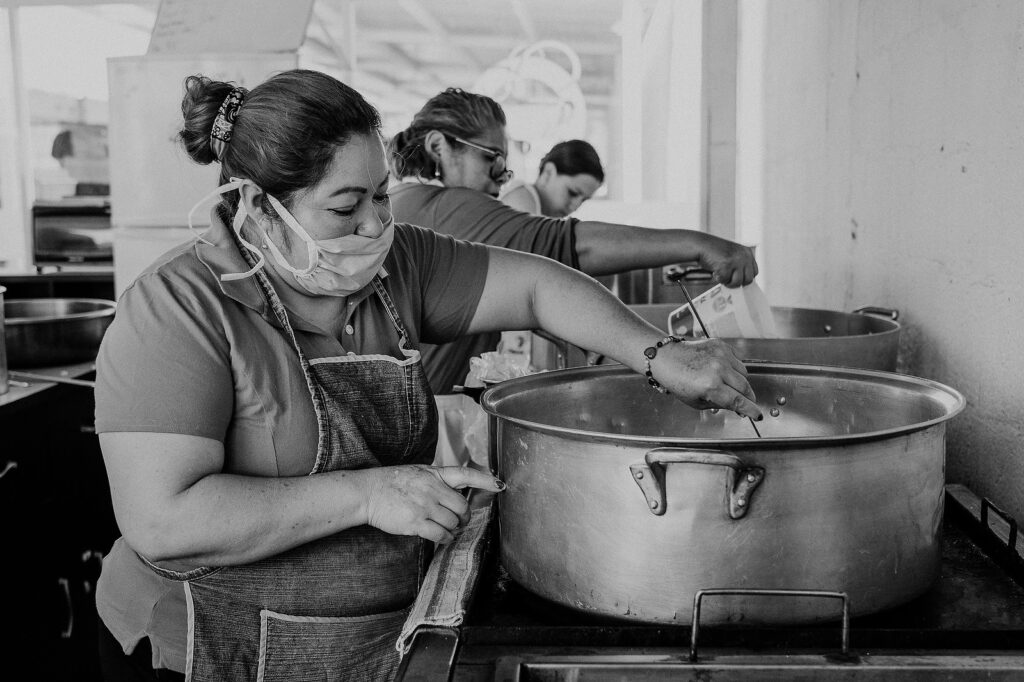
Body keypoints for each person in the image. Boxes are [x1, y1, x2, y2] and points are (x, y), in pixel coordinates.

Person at [93, 69, 762, 681]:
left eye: (382, 194)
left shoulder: (395, 265)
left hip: (371, 634)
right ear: (257, 207)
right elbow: (163, 518)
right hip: (207, 650)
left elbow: (536, 285)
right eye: (345, 205)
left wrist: (655, 354)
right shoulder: (178, 308)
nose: (377, 222)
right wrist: (369, 495)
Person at [388, 87, 759, 396]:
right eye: (493, 160)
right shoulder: (446, 210)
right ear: (439, 147)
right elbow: (570, 246)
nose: (500, 179)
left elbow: (516, 292)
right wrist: (700, 245)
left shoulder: (407, 202)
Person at [500, 139, 604, 217]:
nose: (575, 207)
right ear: (548, 173)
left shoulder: (548, 217)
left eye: (583, 200)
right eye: (572, 193)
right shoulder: (520, 198)